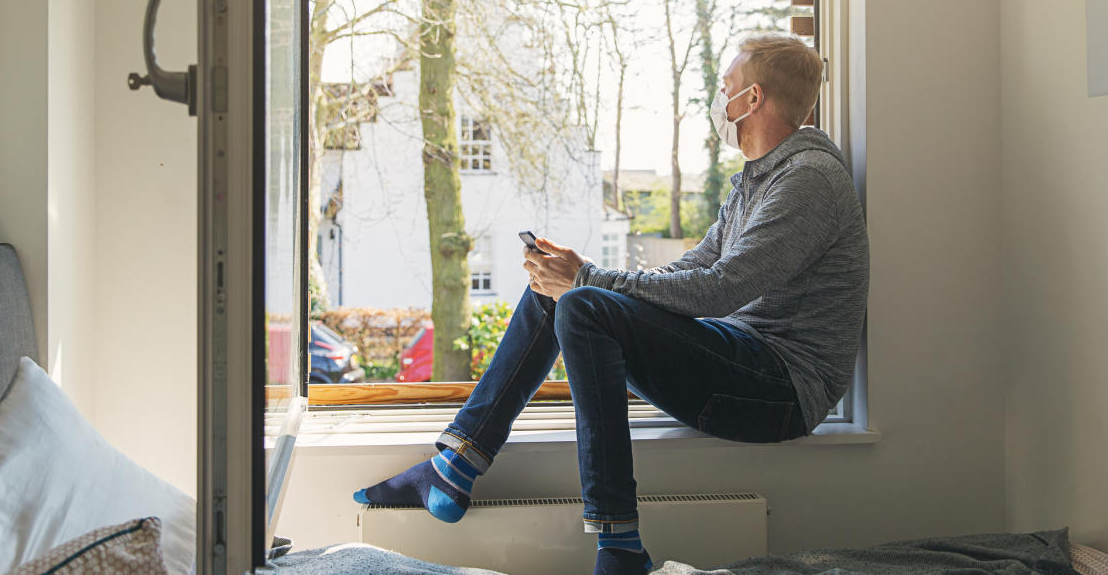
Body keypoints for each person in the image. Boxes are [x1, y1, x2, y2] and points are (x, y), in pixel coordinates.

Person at [354, 34, 870, 575]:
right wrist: (580, 275)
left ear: (754, 98)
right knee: (559, 293)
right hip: (741, 363)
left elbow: (718, 290)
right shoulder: (756, 180)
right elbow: (687, 270)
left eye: (727, 89)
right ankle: (456, 464)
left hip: (781, 389)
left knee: (580, 300)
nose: (720, 100)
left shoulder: (808, 180)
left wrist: (589, 280)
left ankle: (618, 542)